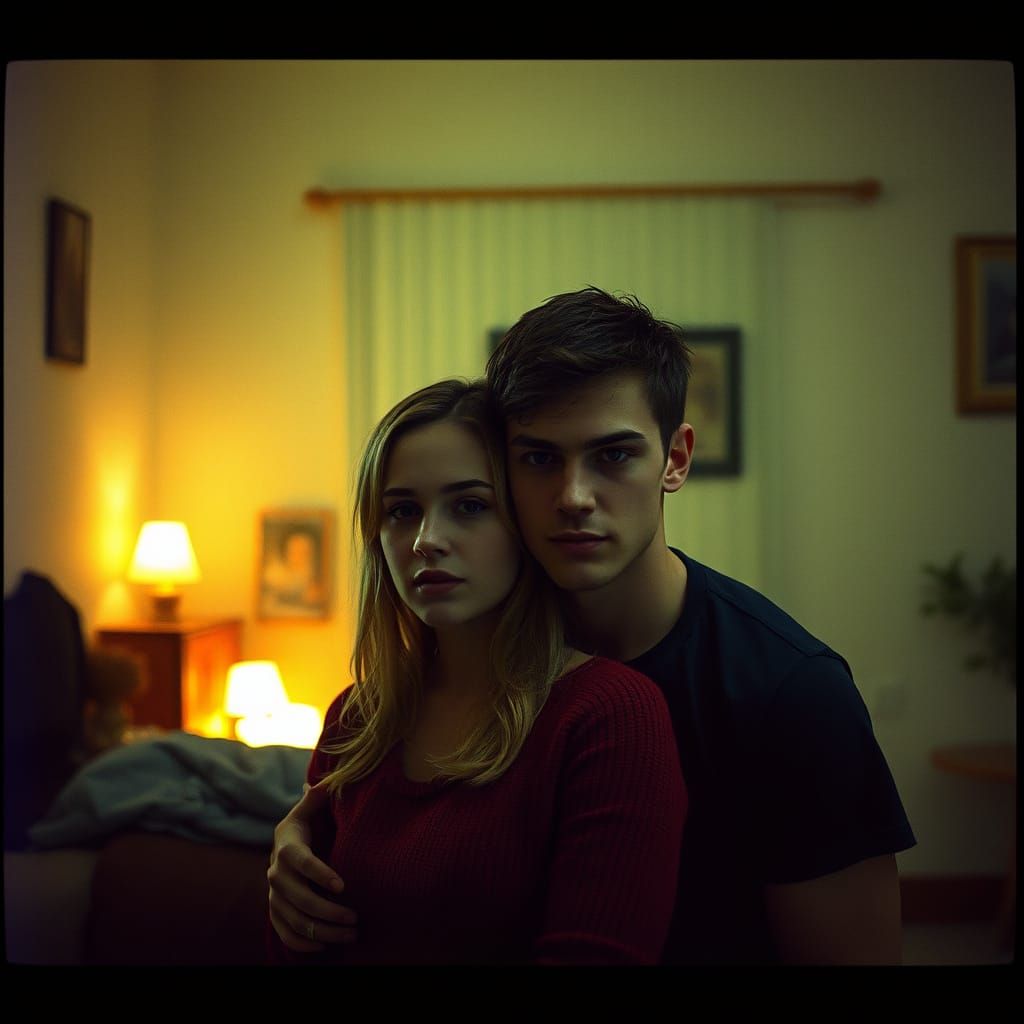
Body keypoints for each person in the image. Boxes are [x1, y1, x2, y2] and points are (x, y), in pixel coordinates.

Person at [269, 287, 916, 965]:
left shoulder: (790, 693)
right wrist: (304, 830)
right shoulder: (460, 673)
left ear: (675, 459)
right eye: (540, 459)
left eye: (613, 456)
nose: (574, 498)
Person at [266, 378, 686, 965]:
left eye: (469, 506)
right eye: (402, 511)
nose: (427, 541)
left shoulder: (608, 716)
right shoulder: (357, 717)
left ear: (520, 519)